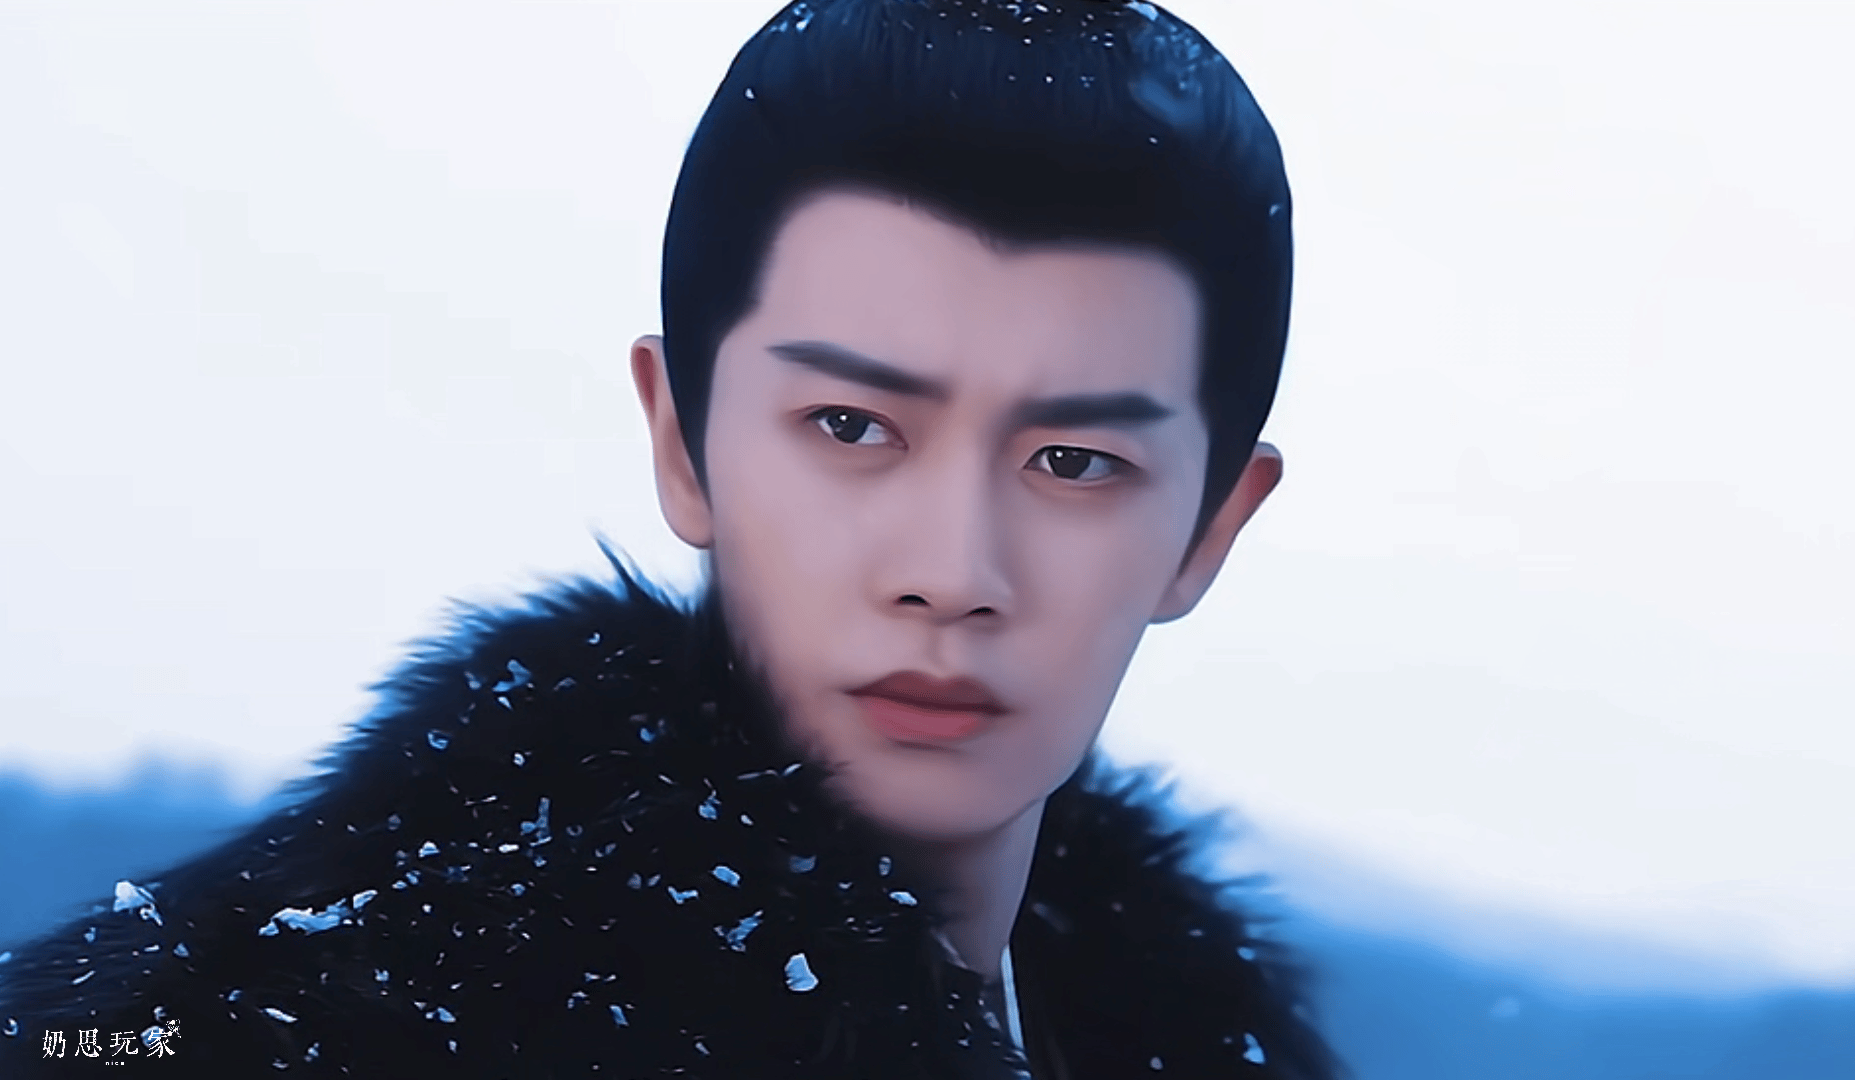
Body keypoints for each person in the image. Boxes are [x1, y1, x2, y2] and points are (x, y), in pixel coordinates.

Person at [0, 1, 1342, 1075]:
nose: (950, 573)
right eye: (851, 427)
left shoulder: (1161, 1031)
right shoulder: (276, 1030)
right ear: (681, 443)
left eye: (1073, 461)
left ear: (1210, 528)